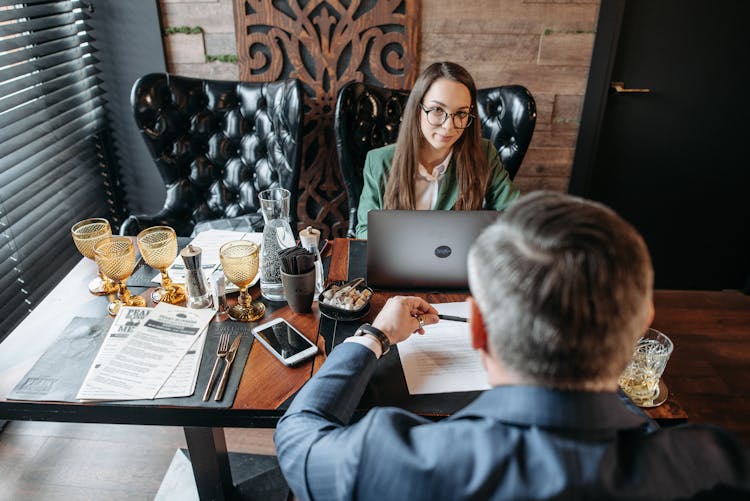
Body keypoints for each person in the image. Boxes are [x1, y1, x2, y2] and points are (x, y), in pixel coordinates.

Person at [274, 191, 750, 500]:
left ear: (476, 327)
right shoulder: (717, 469)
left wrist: (374, 335)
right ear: (641, 324)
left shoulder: (387, 459)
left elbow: (298, 436)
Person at [354, 62, 519, 238]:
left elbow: (516, 214)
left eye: (461, 113)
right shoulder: (379, 161)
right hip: (399, 262)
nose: (449, 126)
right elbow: (364, 230)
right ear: (418, 109)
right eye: (437, 110)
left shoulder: (484, 153)